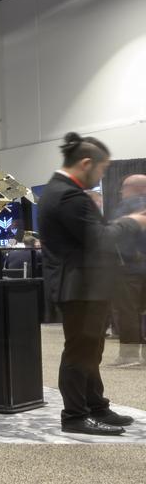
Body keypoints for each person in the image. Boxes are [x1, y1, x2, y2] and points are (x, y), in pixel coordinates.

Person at [38, 133, 146, 436]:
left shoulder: (61, 191)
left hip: (86, 285)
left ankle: (96, 405)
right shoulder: (68, 196)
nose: (101, 177)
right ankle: (74, 415)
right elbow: (99, 240)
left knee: (91, 350)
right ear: (86, 163)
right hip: (80, 287)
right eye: (101, 170)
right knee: (79, 351)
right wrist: (133, 222)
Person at [108, 174, 146, 367]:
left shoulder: (125, 207)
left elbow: (116, 235)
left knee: (127, 310)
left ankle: (129, 356)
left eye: (123, 189)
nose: (122, 193)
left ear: (131, 188)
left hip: (129, 268)